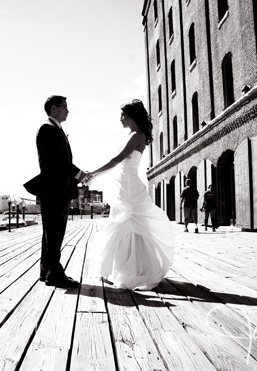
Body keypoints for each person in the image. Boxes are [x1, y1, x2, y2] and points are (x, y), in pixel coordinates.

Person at [86, 99, 174, 290]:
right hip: (124, 185)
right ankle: (128, 270)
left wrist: (92, 173)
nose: (120, 119)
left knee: (128, 224)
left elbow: (117, 160)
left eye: (123, 115)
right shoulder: (134, 135)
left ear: (132, 116)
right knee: (125, 225)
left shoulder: (136, 136)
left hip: (129, 186)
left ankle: (132, 272)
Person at [24, 95, 87, 288]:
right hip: (54, 189)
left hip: (58, 189)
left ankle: (46, 271)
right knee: (54, 232)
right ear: (53, 108)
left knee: (51, 233)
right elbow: (59, 163)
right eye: (64, 107)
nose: (68, 111)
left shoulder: (55, 129)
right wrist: (79, 174)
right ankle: (55, 274)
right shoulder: (47, 129)